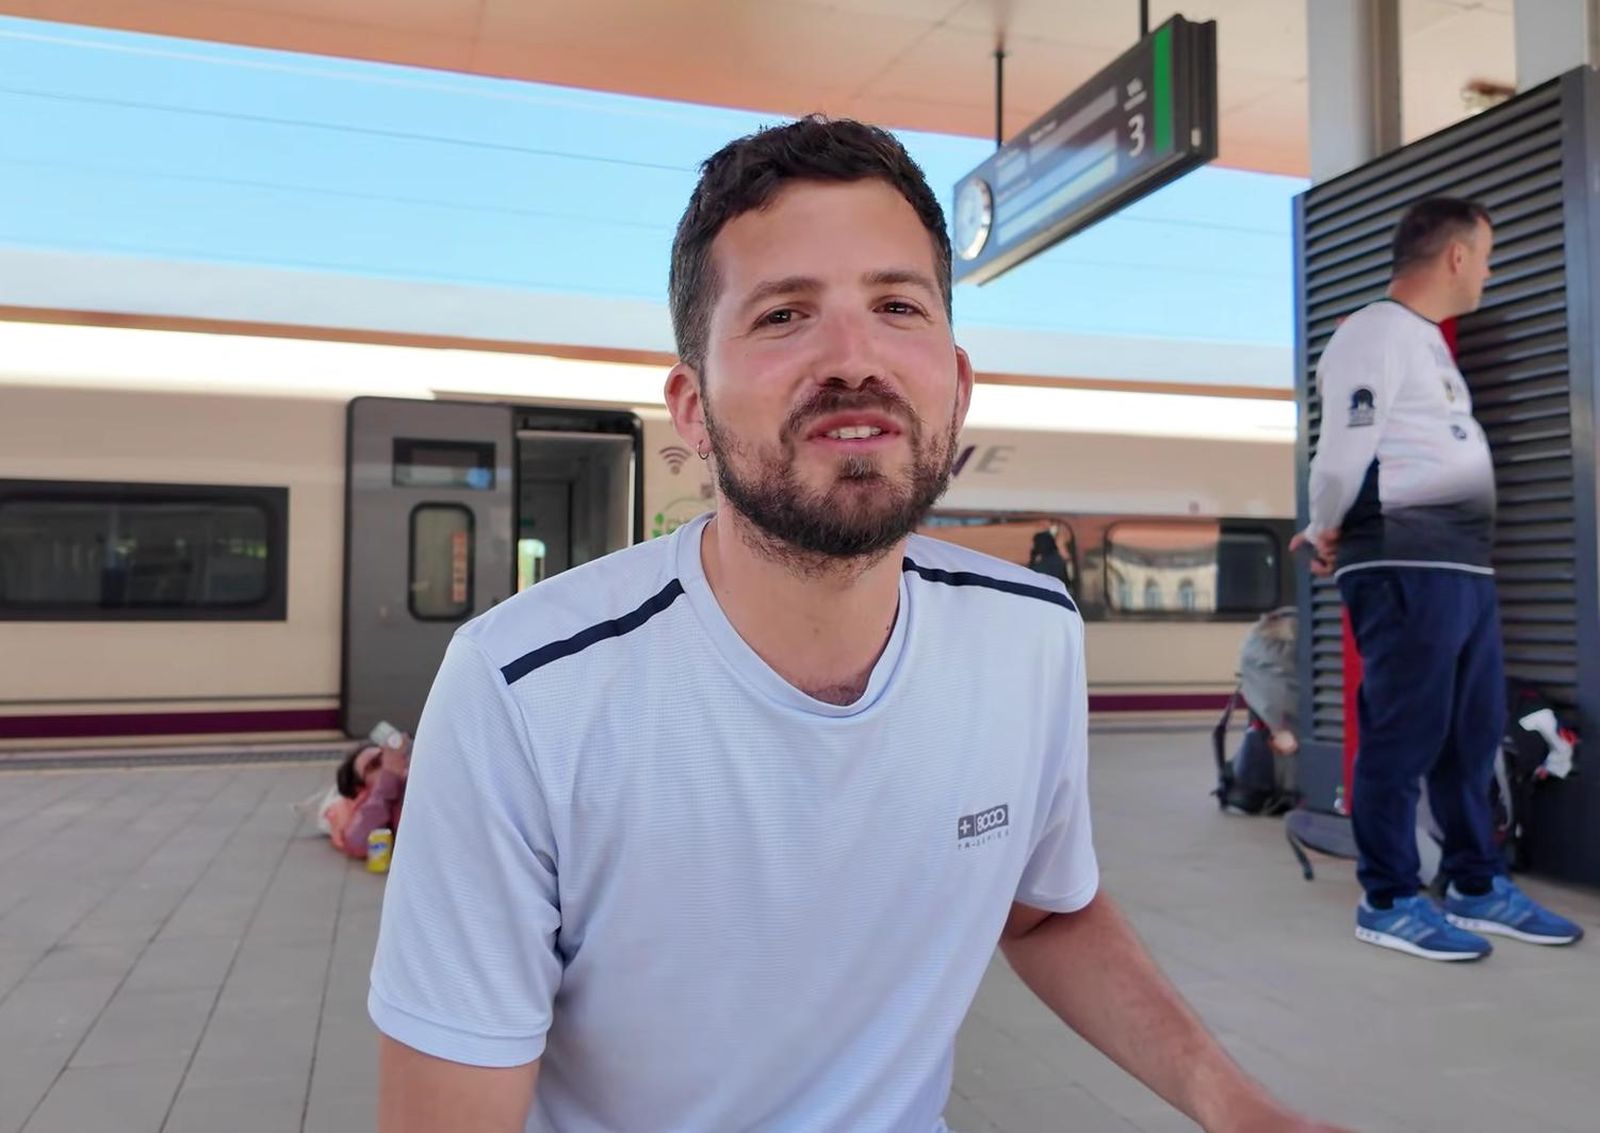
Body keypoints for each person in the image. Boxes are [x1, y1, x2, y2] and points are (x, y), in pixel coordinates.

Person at [369, 116, 1349, 1133]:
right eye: (785, 314)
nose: (853, 357)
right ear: (693, 409)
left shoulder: (1029, 635)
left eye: (895, 304)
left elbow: (1044, 908)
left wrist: (1235, 1106)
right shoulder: (524, 689)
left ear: (957, 386)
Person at [1290, 197, 1582, 961]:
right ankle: (1387, 896)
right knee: (1404, 731)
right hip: (1403, 563)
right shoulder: (1373, 333)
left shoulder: (1423, 344)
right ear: (1455, 256)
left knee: (1471, 734)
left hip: (1459, 567)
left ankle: (1475, 882)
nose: (1488, 270)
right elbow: (1341, 453)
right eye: (1485, 254)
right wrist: (1326, 525)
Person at [325, 740, 407, 861]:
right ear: (363, 788)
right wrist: (388, 779)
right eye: (374, 764)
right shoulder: (376, 803)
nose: (387, 762)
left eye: (386, 755)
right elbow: (359, 842)